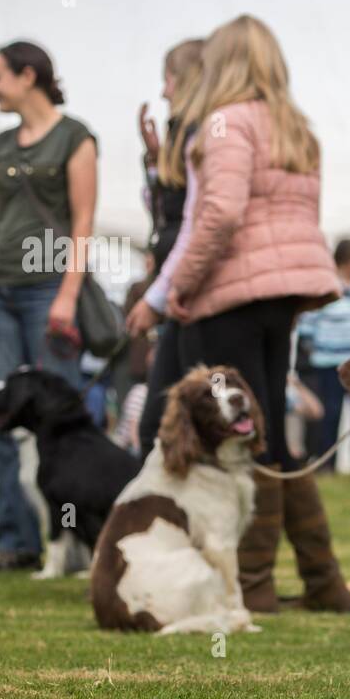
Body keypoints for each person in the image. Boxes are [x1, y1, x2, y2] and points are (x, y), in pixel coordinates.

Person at [166, 14, 350, 614]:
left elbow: (219, 214)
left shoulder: (225, 124)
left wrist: (182, 283)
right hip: (284, 296)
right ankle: (324, 583)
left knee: (240, 436)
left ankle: (253, 587)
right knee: (267, 429)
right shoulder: (297, 127)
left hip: (232, 294)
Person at [0, 41, 97, 571]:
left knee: (58, 421)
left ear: (27, 76)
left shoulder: (75, 138)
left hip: (47, 291)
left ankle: (74, 543)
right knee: (1, 418)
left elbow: (83, 222)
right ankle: (17, 543)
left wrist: (68, 292)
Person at [124, 38, 205, 459]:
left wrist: (160, 295)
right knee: (163, 413)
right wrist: (156, 160)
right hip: (178, 279)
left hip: (187, 284)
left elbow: (196, 221)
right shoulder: (184, 134)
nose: (163, 92)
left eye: (168, 80)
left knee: (165, 415)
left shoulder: (202, 131)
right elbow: (168, 210)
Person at [293, 239, 350, 473]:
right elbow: (307, 324)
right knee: (331, 415)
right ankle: (328, 465)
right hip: (329, 363)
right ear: (347, 259)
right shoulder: (325, 285)